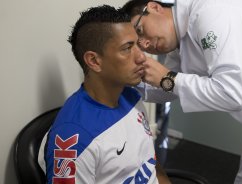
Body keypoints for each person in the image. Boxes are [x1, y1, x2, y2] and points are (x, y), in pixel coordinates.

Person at [121, 0, 242, 183]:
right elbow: (167, 89)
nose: (145, 44)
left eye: (140, 30)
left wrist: (167, 78)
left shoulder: (211, 13)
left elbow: (231, 94)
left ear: (154, 7)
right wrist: (127, 82)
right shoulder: (180, 40)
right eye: (136, 44)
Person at [38, 5, 171, 184]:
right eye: (127, 48)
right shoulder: (75, 138)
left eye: (137, 44)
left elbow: (151, 164)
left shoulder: (131, 96)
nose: (142, 57)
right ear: (94, 61)